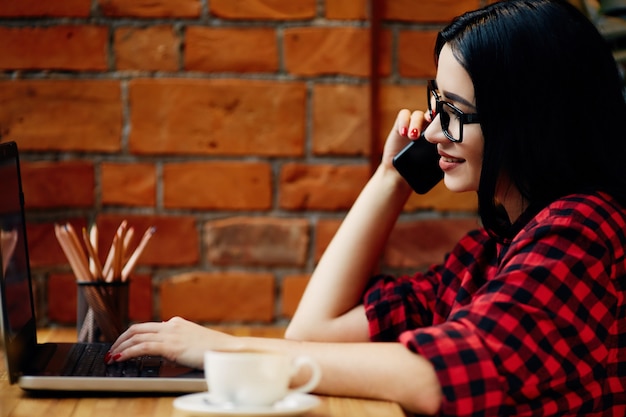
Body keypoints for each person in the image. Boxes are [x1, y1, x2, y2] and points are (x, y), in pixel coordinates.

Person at [107, 0, 626, 415]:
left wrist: (224, 349)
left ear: (525, 122)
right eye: (435, 106)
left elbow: (431, 380)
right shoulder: (487, 257)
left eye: (454, 112)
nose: (434, 130)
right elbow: (313, 333)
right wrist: (391, 179)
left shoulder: (582, 229)